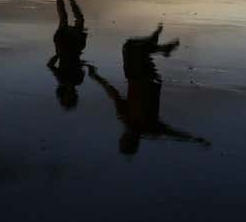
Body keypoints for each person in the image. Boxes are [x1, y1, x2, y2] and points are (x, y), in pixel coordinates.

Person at [86, 24, 209, 155]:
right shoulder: (147, 128)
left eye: (123, 138)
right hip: (146, 78)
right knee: (132, 48)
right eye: (126, 139)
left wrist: (97, 77)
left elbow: (112, 93)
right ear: (132, 141)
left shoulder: (130, 120)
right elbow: (172, 133)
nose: (124, 136)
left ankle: (155, 41)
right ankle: (160, 47)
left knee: (132, 47)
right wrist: (193, 139)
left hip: (137, 77)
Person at [46, 0, 87, 109]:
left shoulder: (62, 79)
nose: (70, 93)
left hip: (63, 45)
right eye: (71, 97)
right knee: (80, 20)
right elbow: (79, 64)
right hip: (75, 48)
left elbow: (50, 65)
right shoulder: (78, 81)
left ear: (63, 94)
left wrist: (58, 54)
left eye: (67, 97)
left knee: (63, 18)